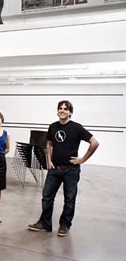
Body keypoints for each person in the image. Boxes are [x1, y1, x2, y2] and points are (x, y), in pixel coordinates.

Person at [28, 100, 99, 237]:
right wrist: (49, 159)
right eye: (60, 108)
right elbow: (49, 143)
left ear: (70, 112)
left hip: (71, 170)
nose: (62, 110)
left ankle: (65, 225)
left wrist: (82, 159)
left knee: (69, 199)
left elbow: (94, 143)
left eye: (66, 109)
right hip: (54, 169)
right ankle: (45, 223)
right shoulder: (53, 127)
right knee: (47, 197)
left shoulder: (76, 127)